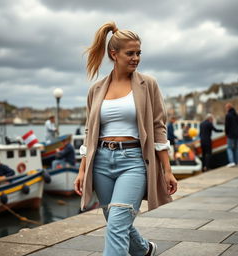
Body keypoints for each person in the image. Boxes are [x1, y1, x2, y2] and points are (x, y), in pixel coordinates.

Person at [74, 22, 177, 256]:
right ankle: (144, 250)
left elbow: (158, 127)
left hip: (133, 161)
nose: (136, 58)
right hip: (100, 162)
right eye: (130, 53)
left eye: (138, 53)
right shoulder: (96, 89)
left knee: (117, 224)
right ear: (114, 54)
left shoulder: (147, 84)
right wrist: (82, 170)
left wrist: (167, 170)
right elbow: (90, 133)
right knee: (116, 222)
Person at [225, 103, 238, 167]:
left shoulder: (228, 115)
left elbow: (227, 126)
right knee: (236, 148)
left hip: (230, 134)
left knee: (229, 148)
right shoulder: (237, 115)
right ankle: (236, 161)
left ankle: (231, 161)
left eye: (226, 108)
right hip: (237, 134)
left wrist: (226, 133)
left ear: (228, 108)